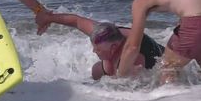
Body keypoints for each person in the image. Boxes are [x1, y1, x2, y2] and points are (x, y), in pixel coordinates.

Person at [36, 13, 164, 80]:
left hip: (160, 57)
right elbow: (77, 21)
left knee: (116, 75)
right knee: (97, 70)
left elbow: (138, 86)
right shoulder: (104, 33)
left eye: (98, 49)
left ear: (113, 48)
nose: (93, 51)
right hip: (119, 56)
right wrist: (49, 18)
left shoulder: (134, 56)